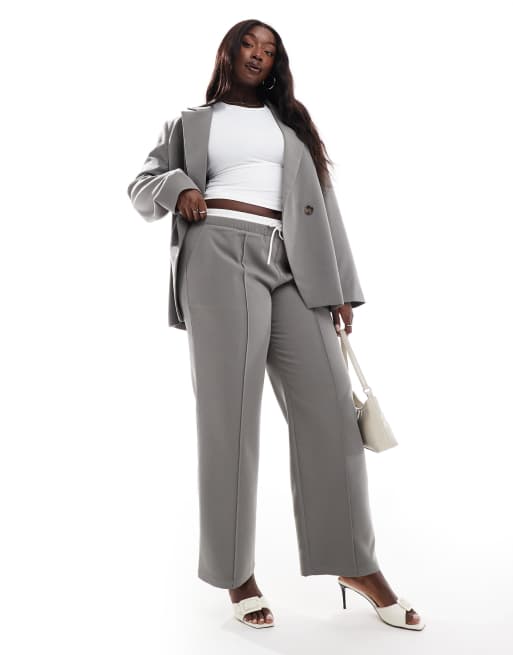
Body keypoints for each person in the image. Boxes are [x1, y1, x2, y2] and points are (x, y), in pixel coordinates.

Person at [127, 19, 425, 632]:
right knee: (231, 418)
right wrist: (179, 186)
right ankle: (236, 572)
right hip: (219, 250)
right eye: (249, 44)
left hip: (295, 264)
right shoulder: (190, 122)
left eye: (269, 49)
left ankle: (354, 562)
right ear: (228, 52)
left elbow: (325, 204)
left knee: (332, 414)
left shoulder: (290, 124)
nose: (259, 55)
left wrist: (340, 289)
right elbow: (140, 184)